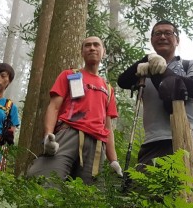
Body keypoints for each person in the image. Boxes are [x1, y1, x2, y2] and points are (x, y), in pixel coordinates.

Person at [117, 20, 193, 208]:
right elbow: (123, 81)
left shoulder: (189, 65)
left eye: (168, 33)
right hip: (154, 142)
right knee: (139, 203)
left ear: (177, 39)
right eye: (157, 34)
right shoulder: (145, 68)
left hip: (192, 139)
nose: (162, 37)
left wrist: (162, 71)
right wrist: (147, 60)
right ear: (152, 40)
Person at [27, 36, 122, 184]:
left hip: (97, 143)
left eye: (96, 45)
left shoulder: (108, 89)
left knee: (89, 195)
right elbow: (54, 106)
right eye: (87, 45)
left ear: (103, 52)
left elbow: (108, 127)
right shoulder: (70, 75)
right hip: (68, 133)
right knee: (47, 180)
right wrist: (48, 136)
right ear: (82, 52)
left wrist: (113, 160)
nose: (92, 48)